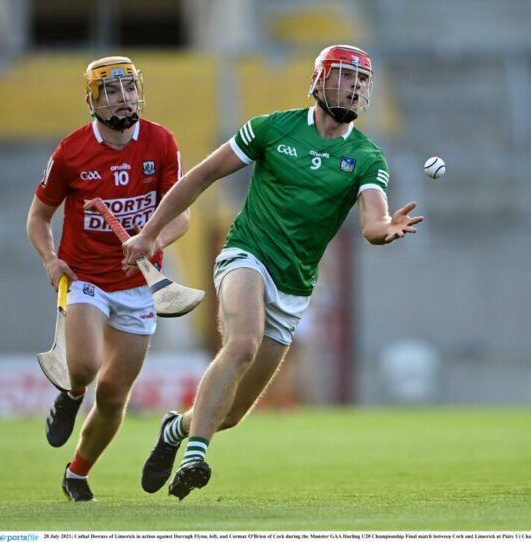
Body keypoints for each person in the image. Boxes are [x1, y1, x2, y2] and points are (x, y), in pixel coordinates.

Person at [123, 44, 423, 500]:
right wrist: (149, 234)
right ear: (319, 80)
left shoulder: (367, 156)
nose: (355, 87)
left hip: (294, 285)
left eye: (362, 80)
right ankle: (195, 457)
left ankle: (175, 430)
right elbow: (201, 176)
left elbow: (373, 222)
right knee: (242, 343)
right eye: (346, 76)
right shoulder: (271, 128)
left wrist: (386, 230)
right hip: (246, 255)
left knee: (231, 414)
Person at [27, 56, 190, 501]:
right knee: (84, 365)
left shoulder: (161, 142)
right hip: (86, 277)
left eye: (129, 88)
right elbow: (38, 217)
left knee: (115, 396)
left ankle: (77, 474)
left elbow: (182, 216)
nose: (123, 99)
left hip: (138, 284)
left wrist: (152, 239)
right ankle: (72, 392)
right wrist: (50, 260)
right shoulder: (70, 152)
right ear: (92, 100)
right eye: (112, 91)